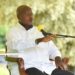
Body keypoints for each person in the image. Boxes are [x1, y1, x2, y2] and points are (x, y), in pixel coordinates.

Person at [6, 5, 71, 75]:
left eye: (31, 14)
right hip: (28, 66)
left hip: (47, 67)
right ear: (19, 17)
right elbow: (16, 46)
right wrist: (39, 40)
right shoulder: (13, 32)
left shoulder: (39, 31)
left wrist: (57, 58)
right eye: (27, 15)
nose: (31, 17)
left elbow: (53, 49)